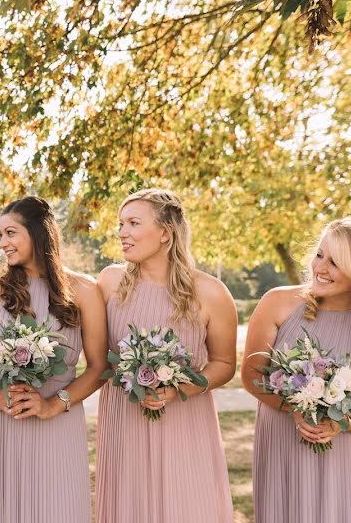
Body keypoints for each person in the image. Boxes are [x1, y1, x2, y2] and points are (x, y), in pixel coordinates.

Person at [243, 216, 351, 523]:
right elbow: (252, 376)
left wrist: (344, 422)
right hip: (286, 453)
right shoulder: (278, 303)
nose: (320, 268)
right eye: (319, 254)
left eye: (335, 262)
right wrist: (295, 409)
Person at [94, 188, 236, 522]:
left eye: (132, 223)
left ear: (164, 233)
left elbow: (225, 364)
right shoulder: (110, 282)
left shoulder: (210, 292)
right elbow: (98, 357)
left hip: (185, 421)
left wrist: (178, 390)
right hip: (124, 420)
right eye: (120, 224)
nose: (121, 233)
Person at [0, 196, 108, 523]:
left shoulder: (84, 290)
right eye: (1, 234)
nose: (3, 243)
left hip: (59, 422)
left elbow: (100, 367)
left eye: (11, 233)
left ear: (37, 232)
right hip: (2, 422)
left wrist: (54, 404)